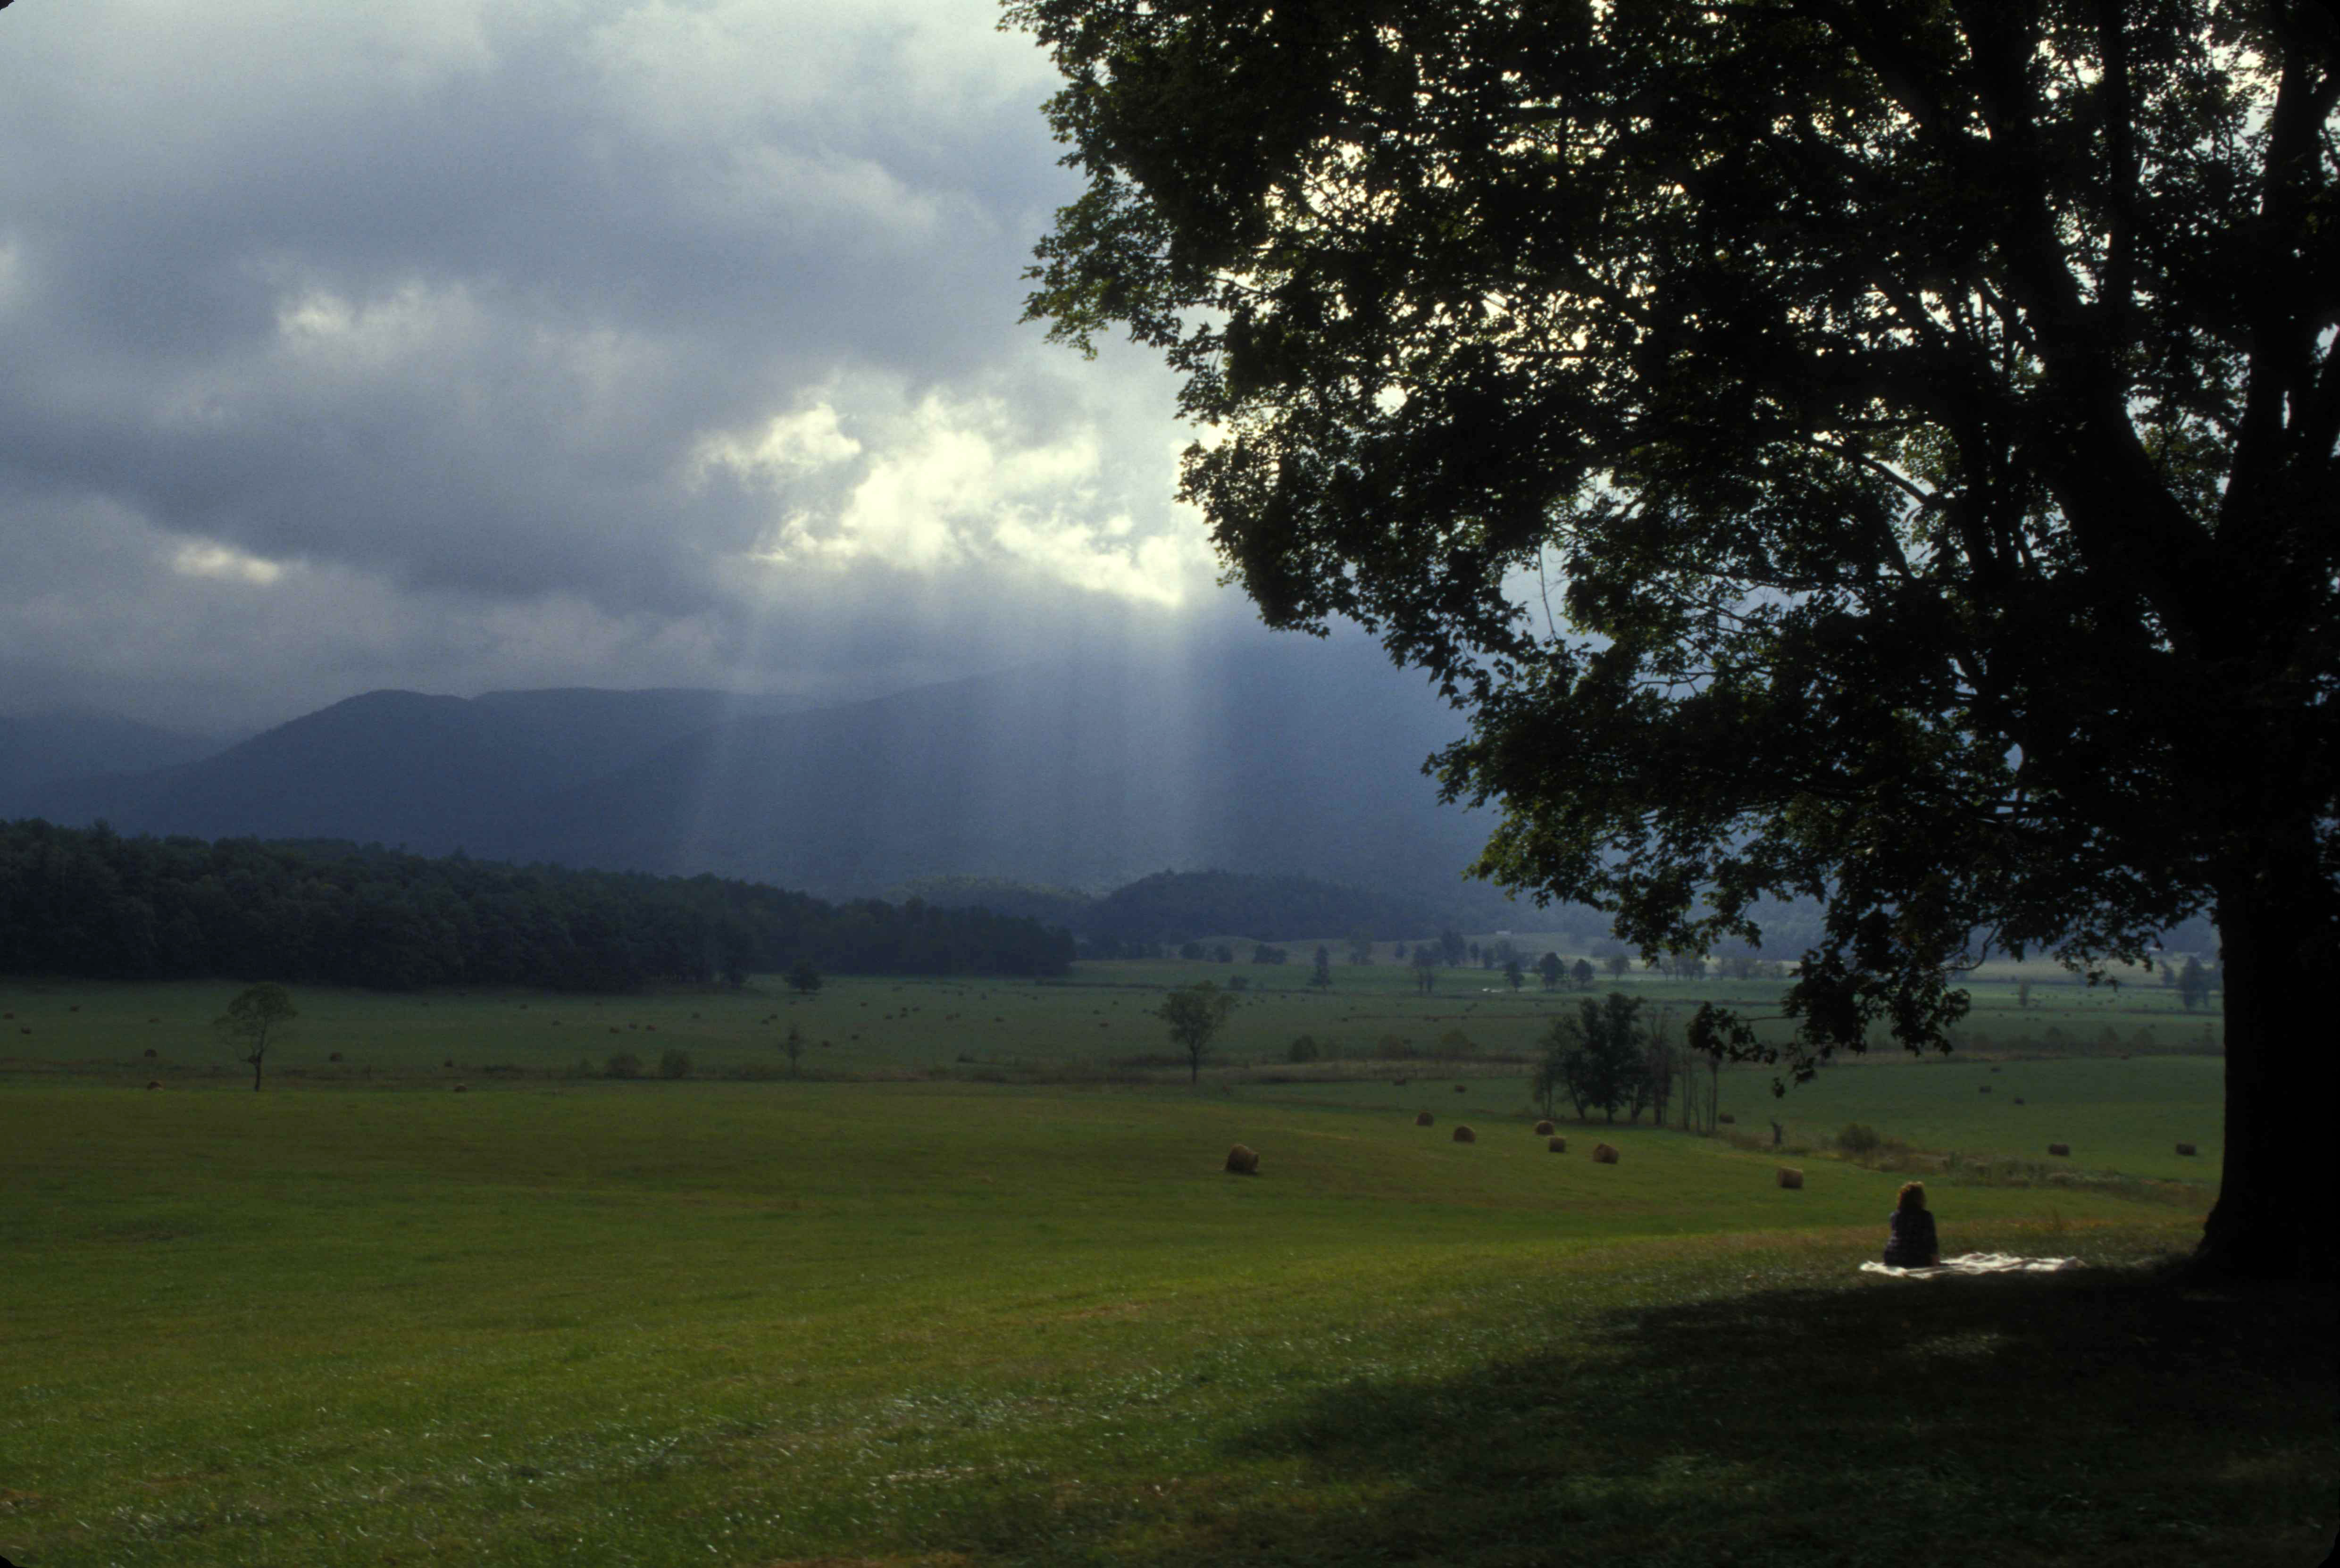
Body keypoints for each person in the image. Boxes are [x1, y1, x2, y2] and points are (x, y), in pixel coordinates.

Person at [1882, 1181, 1941, 1268]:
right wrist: (1935, 1263)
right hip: (1913, 1258)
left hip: (1891, 1258)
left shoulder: (1894, 1216)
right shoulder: (1925, 1216)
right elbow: (1932, 1242)